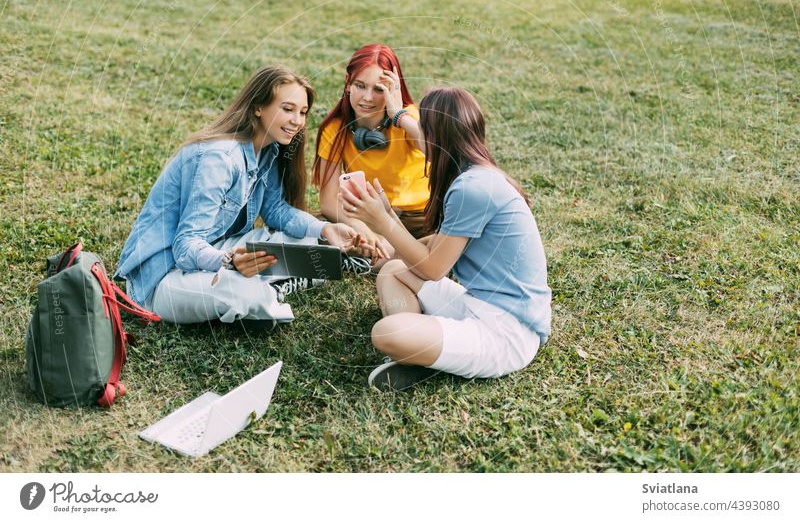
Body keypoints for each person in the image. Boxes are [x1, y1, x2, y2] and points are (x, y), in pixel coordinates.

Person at [115, 66, 361, 328]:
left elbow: (276, 210)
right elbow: (186, 245)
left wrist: (326, 228)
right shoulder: (219, 159)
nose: (297, 121)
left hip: (217, 248)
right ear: (258, 107)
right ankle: (269, 290)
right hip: (165, 276)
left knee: (311, 238)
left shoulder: (267, 149)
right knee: (242, 292)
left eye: (302, 112)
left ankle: (273, 281)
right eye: (287, 109)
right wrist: (229, 261)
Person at [340, 87, 552, 390]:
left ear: (437, 136)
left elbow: (432, 269)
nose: (418, 137)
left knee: (385, 333)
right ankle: (419, 355)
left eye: (423, 127)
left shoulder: (471, 189)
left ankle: (419, 351)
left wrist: (384, 223)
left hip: (507, 333)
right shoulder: (475, 172)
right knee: (392, 273)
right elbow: (431, 248)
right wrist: (398, 115)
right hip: (478, 306)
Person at [312, 43, 430, 264]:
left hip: (420, 219)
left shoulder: (409, 118)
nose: (367, 98)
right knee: (316, 229)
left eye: (379, 89)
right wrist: (363, 229)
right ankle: (383, 252)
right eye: (360, 85)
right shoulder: (335, 129)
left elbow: (434, 150)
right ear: (348, 85)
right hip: (370, 215)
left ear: (394, 89)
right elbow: (328, 202)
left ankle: (391, 254)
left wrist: (398, 115)